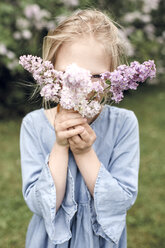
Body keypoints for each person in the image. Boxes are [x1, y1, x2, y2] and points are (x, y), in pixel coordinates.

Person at [20, 9, 140, 248]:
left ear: (114, 76)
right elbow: (41, 205)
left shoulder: (125, 124)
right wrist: (60, 145)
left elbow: (120, 201)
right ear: (50, 71)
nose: (80, 85)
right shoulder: (33, 125)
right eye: (67, 73)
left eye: (95, 75)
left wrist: (85, 153)